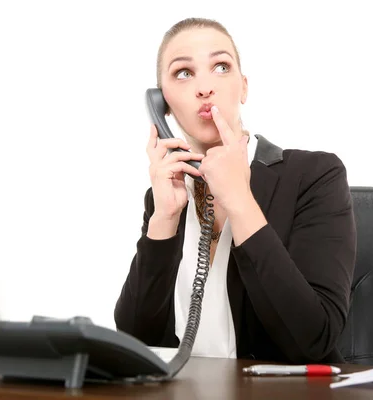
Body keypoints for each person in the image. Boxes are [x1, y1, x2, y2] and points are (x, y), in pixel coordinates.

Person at [114, 17, 357, 364]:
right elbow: (136, 344)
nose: (204, 87)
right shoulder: (166, 195)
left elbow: (312, 342)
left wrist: (240, 202)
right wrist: (164, 219)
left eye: (221, 66)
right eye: (184, 73)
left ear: (243, 87)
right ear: (161, 102)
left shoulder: (315, 175)